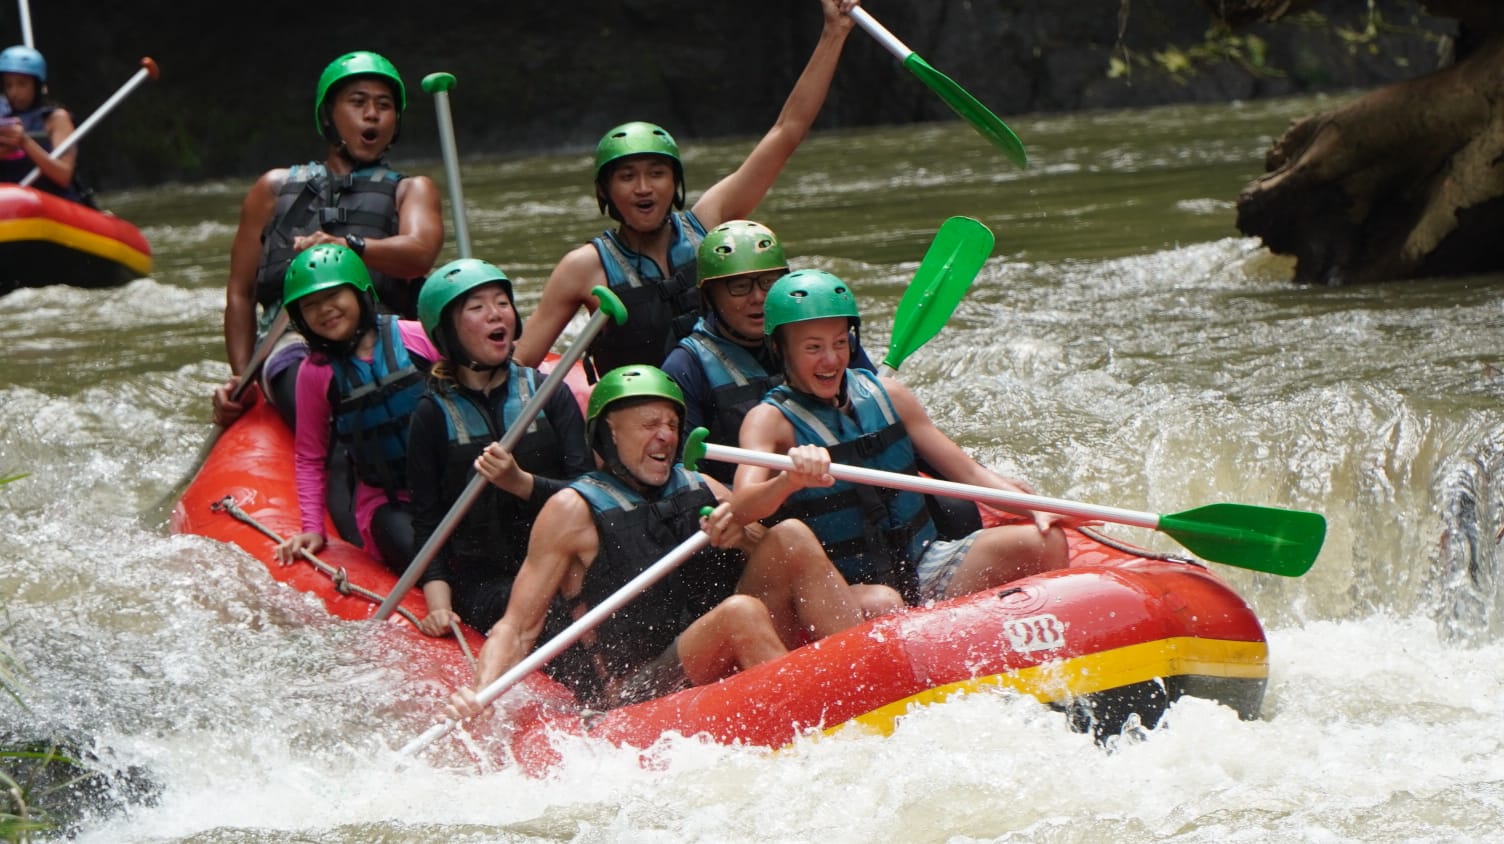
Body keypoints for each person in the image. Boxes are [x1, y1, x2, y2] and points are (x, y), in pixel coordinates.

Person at [446, 365, 889, 718]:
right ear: (608, 435)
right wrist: (481, 691)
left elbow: (765, 546)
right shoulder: (571, 510)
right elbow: (518, 626)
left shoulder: (697, 483)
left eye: (673, 424)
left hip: (716, 650)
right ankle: (821, 726)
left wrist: (752, 526)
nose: (666, 435)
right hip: (639, 690)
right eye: (648, 424)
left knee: (792, 537)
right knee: (740, 613)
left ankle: (867, 687)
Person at [513, 0, 863, 379]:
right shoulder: (583, 268)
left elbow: (786, 132)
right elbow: (521, 364)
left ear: (675, 182)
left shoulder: (709, 224)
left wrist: (834, 33)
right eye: (627, 176)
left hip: (728, 403)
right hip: (644, 422)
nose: (644, 188)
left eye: (657, 173)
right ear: (605, 192)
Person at [730, 270, 1072, 605]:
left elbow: (969, 474)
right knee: (884, 602)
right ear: (780, 349)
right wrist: (788, 481)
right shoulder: (769, 421)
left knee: (1047, 540)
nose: (831, 359)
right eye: (813, 347)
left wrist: (1035, 508)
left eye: (839, 342)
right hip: (845, 587)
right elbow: (741, 508)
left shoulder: (889, 396)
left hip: (926, 562)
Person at [213, 50, 443, 431]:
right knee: (318, 394)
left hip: (384, 335)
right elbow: (240, 294)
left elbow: (419, 254)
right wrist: (244, 379)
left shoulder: (411, 190)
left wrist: (349, 246)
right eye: (358, 102)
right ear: (328, 115)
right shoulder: (271, 189)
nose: (372, 114)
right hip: (292, 340)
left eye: (384, 106)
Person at [406, 258, 593, 638]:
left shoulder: (548, 393)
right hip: (489, 582)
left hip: (563, 564)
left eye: (502, 303)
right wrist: (440, 608)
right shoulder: (431, 415)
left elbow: (590, 495)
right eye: (477, 308)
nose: (496, 315)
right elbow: (430, 525)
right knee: (541, 609)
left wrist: (521, 483)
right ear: (446, 334)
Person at [662, 219, 874, 486]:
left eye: (768, 282)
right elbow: (682, 472)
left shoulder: (825, 336)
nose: (758, 297)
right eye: (739, 286)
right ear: (709, 296)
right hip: (759, 499)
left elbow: (878, 410)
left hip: (844, 479)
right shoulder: (685, 367)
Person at [271, 243, 436, 573]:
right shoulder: (315, 373)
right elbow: (310, 455)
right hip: (390, 503)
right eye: (311, 304)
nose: (325, 310)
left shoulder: (413, 336)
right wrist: (312, 528)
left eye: (334, 296)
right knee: (411, 547)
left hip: (452, 480)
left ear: (360, 292)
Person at [0, 45, 84, 201]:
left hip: (54, 204)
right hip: (10, 206)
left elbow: (63, 176)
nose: (14, 92)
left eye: (22, 84)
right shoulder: (2, 119)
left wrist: (24, 142)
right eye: (8, 85)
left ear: (36, 85)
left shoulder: (56, 119)